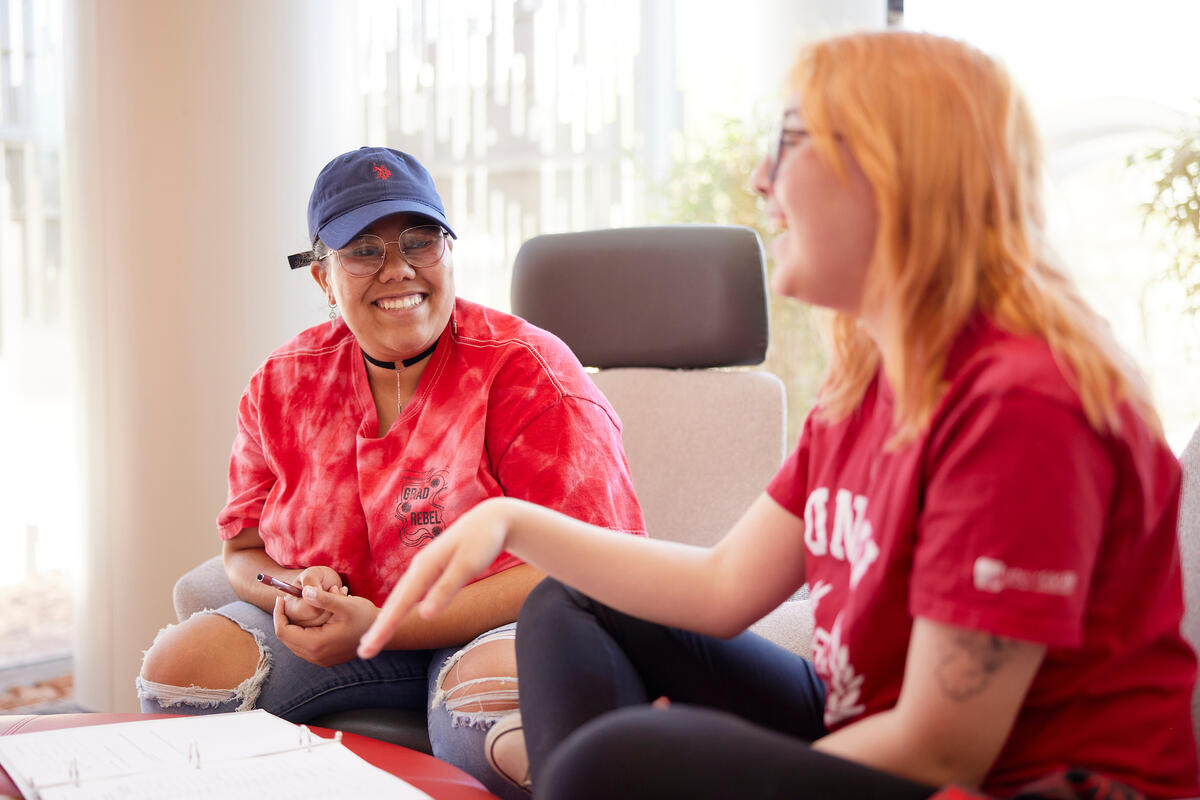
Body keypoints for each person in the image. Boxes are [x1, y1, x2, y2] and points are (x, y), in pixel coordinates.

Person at [355, 31, 1200, 800]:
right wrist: (513, 521)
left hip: (1019, 782)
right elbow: (723, 588)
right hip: (872, 725)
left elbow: (947, 748)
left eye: (788, 144)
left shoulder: (1020, 405)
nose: (760, 179)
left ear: (894, 169)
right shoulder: (869, 386)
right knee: (566, 606)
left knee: (614, 765)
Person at [136, 146, 645, 799]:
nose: (398, 268)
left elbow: (592, 561)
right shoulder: (283, 383)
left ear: (448, 252)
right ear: (323, 276)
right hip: (352, 633)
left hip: (503, 618)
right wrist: (293, 587)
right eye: (364, 250)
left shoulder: (528, 369)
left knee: (483, 710)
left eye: (419, 240)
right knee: (182, 670)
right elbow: (241, 552)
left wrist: (387, 624)